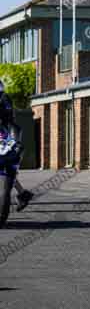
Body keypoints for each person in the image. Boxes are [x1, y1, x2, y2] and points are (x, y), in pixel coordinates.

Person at [0, 80, 32, 212]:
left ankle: (22, 194)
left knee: (6, 169)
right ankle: (22, 193)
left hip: (5, 135)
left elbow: (8, 119)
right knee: (7, 170)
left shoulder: (4, 100)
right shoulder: (5, 98)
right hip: (8, 135)